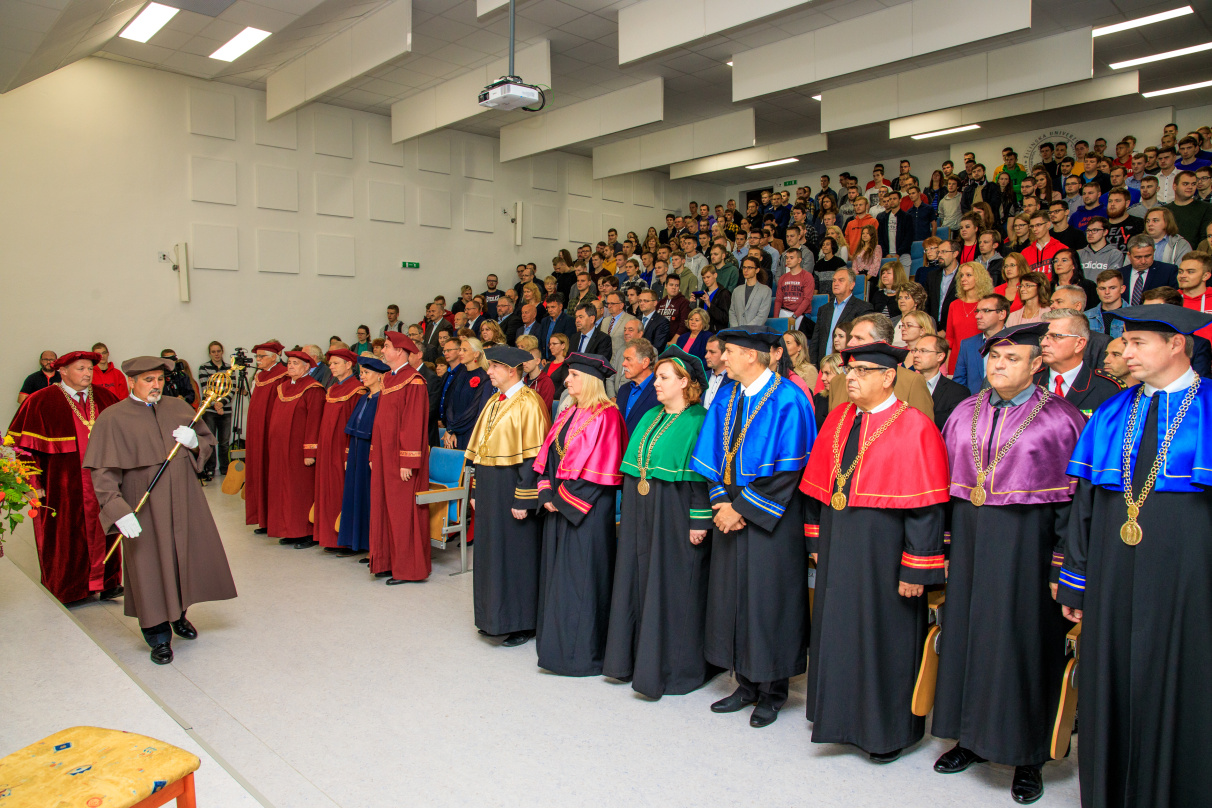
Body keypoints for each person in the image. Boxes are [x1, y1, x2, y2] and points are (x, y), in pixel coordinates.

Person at [1057, 304, 1212, 808]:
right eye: (1124, 343)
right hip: (1113, 575)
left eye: (1138, 343)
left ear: (1177, 345)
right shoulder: (1112, 411)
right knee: (1111, 681)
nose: (1125, 352)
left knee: (1182, 683)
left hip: (1189, 583)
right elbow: (1084, 505)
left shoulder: (1209, 408)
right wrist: (1076, 578)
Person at [932, 323, 1085, 803]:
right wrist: (946, 548)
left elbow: (1072, 505)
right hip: (970, 545)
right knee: (967, 638)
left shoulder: (1060, 419)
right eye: (995, 358)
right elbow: (946, 491)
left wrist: (1063, 566)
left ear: (1037, 365)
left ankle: (1028, 755)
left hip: (1027, 552)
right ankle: (969, 739)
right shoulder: (964, 411)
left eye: (1012, 358)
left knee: (1022, 646)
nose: (999, 365)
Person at [801, 340, 949, 762]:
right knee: (837, 632)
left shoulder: (915, 426)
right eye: (850, 370)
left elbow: (925, 508)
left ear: (888, 377)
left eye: (862, 371)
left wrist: (917, 568)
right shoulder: (839, 418)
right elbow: (817, 489)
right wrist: (816, 541)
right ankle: (837, 720)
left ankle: (885, 733)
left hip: (886, 555)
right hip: (838, 546)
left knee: (883, 640)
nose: (851, 377)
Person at [689, 326, 816, 728]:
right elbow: (712, 458)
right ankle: (744, 683)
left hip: (770, 521)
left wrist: (740, 509)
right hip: (729, 514)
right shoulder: (727, 395)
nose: (722, 358)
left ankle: (773, 691)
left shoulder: (789, 399)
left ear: (752, 355)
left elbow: (790, 472)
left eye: (729, 351)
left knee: (768, 603)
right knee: (732, 600)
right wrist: (721, 502)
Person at [83, 357, 237, 665]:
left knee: (183, 558)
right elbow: (103, 472)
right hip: (143, 504)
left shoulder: (179, 407)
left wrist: (195, 443)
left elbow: (206, 445)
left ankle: (179, 614)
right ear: (131, 382)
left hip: (184, 499)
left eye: (159, 379)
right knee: (149, 567)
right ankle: (157, 634)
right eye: (148, 380)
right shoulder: (112, 418)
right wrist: (118, 510)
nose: (156, 385)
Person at [604, 346, 719, 696]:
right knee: (636, 580)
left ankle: (672, 668)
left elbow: (704, 477)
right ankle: (631, 661)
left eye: (663, 377)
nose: (655, 383)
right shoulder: (650, 415)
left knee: (670, 587)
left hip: (675, 514)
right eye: (656, 377)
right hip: (640, 512)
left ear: (684, 382)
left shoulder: (699, 420)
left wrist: (700, 520)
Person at [518, 353, 626, 675]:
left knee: (580, 583)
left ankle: (581, 655)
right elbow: (549, 459)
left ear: (590, 381)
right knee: (557, 579)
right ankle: (554, 648)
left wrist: (561, 499)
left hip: (586, 515)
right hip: (558, 508)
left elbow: (601, 475)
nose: (567, 380)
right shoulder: (568, 412)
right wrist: (546, 493)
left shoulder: (608, 416)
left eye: (574, 375)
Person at [6, 350, 122, 603]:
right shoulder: (41, 400)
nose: (87, 374)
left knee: (108, 529)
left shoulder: (106, 398)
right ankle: (68, 589)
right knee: (64, 539)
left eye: (90, 369)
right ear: (63, 371)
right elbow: (23, 448)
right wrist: (32, 483)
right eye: (81, 368)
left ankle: (108, 582)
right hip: (61, 485)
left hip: (103, 483)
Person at [461, 346, 552, 647]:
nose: (488, 372)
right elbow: (481, 453)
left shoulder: (530, 402)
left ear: (512, 370)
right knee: (490, 554)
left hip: (512, 489)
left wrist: (524, 498)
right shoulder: (493, 401)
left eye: (494, 367)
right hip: (490, 489)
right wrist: (475, 490)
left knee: (516, 557)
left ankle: (522, 622)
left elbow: (534, 457)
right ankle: (493, 618)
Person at [369, 332, 431, 585]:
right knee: (384, 508)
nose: (382, 350)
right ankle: (386, 561)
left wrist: (408, 461)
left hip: (402, 459)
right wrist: (374, 452)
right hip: (385, 456)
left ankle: (408, 568)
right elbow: (379, 421)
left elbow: (413, 423)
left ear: (400, 351)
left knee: (402, 512)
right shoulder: (388, 378)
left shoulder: (414, 381)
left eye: (386, 347)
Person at [265, 350, 325, 549]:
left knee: (300, 491)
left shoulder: (313, 389)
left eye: (295, 363)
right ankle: (288, 529)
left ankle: (306, 532)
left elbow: (314, 422)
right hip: (281, 450)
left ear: (307, 367)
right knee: (283, 489)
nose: (290, 366)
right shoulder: (282, 388)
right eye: (289, 362)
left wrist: (310, 452)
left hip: (299, 452)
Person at [826, 313, 935, 419]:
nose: (850, 343)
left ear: (882, 344)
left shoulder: (911, 382)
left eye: (859, 338)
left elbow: (923, 427)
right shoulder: (837, 382)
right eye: (851, 337)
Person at [313, 349, 364, 552]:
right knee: (327, 491)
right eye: (330, 364)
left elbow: (355, 426)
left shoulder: (357, 390)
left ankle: (344, 540)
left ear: (348, 365)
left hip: (342, 448)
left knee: (341, 491)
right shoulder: (333, 388)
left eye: (335, 363)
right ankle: (328, 537)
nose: (331, 367)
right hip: (327, 448)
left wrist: (348, 453)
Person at [336, 355, 386, 557]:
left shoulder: (383, 399)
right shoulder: (364, 398)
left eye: (366, 373)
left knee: (368, 496)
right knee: (355, 495)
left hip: (370, 453)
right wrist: (348, 454)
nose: (362, 376)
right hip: (357, 452)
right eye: (362, 372)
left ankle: (371, 545)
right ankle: (354, 541)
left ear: (380, 375)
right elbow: (353, 430)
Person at [1033, 309, 1123, 416]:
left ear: (1079, 344)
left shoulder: (1108, 389)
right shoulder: (1029, 382)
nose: (1043, 343)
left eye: (1055, 336)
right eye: (1043, 337)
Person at [244, 341, 287, 533]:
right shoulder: (260, 376)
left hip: (271, 432)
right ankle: (262, 518)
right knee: (258, 471)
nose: (258, 360)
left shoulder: (283, 376)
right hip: (256, 433)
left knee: (271, 473)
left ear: (274, 357)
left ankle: (273, 518)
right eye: (257, 356)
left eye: (262, 356)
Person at [810, 268, 873, 363]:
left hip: (847, 365)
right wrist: (813, 365)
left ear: (851, 285)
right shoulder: (824, 309)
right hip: (823, 365)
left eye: (841, 280)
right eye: (834, 280)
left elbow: (863, 341)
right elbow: (815, 340)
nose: (836, 283)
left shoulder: (863, 308)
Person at [442, 337, 494, 451]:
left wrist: (453, 429)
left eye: (464, 350)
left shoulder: (484, 378)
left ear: (476, 354)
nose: (460, 353)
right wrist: (451, 429)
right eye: (460, 349)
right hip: (455, 430)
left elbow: (474, 410)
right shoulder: (461, 374)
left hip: (469, 432)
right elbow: (451, 404)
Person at [944, 263, 994, 375]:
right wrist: (947, 367)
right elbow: (950, 339)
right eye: (961, 275)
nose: (963, 279)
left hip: (980, 359)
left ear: (979, 278)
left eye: (968, 275)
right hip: (956, 361)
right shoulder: (954, 305)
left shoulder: (987, 305)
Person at [954, 294, 1010, 394]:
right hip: (975, 402)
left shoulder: (1016, 344)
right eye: (977, 311)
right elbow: (959, 386)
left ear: (1001, 314)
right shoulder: (968, 345)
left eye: (986, 311)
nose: (977, 316)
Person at [912, 334, 967, 428]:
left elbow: (954, 429)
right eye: (915, 350)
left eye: (923, 351)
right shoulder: (903, 386)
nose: (916, 355)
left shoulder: (958, 392)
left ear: (940, 356)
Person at [196, 342, 232, 482]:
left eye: (218, 351)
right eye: (213, 351)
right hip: (210, 410)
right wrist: (216, 405)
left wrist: (221, 404)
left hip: (225, 409)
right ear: (210, 353)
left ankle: (225, 468)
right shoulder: (204, 368)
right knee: (210, 441)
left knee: (224, 442)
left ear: (222, 352)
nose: (216, 354)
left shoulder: (229, 368)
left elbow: (232, 389)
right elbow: (206, 389)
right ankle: (210, 468)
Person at [616, 339, 660, 435]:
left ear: (645, 362)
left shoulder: (659, 391)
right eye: (624, 359)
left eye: (628, 359)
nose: (623, 363)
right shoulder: (623, 390)